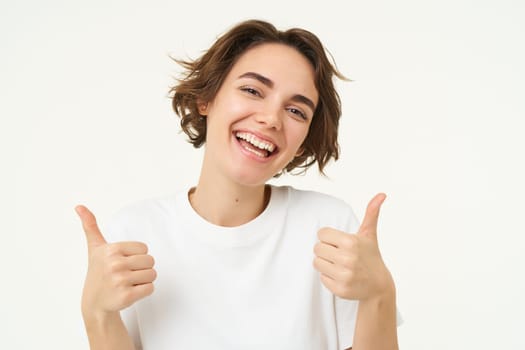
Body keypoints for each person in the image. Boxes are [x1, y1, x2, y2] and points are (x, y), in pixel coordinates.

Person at [76, 19, 400, 350]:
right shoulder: (135, 233)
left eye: (296, 111)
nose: (271, 119)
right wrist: (97, 314)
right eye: (252, 90)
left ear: (302, 142)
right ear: (207, 99)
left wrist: (380, 295)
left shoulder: (328, 229)